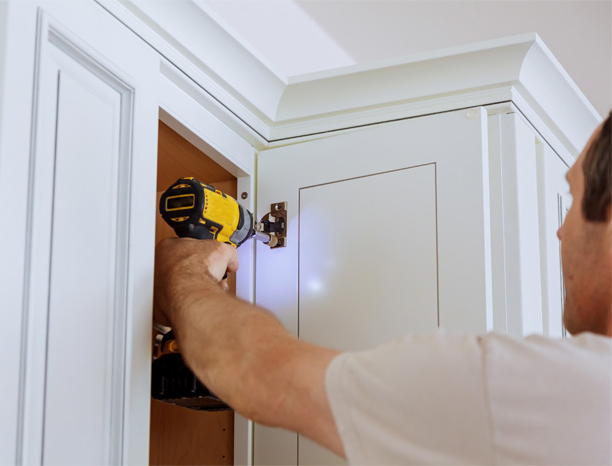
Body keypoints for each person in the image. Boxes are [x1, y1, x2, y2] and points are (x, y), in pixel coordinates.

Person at [153, 112, 611, 465]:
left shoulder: (555, 392)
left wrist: (186, 273)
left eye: (572, 200)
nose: (559, 231)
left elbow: (262, 375)